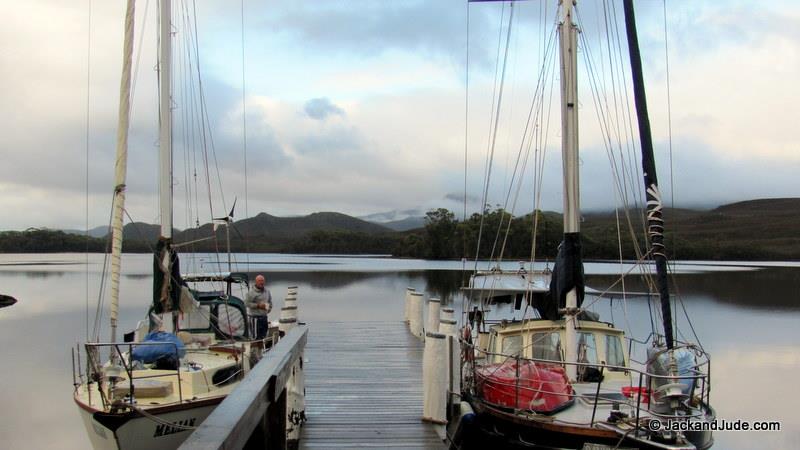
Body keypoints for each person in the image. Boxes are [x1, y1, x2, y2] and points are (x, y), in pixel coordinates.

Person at [245, 274, 272, 339]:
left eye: (262, 281)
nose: (261, 282)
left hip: (264, 317)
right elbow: (246, 303)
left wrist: (269, 308)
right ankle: (256, 348)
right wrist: (258, 305)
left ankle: (264, 348)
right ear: (256, 282)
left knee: (264, 335)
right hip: (255, 318)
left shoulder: (267, 291)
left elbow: (270, 302)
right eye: (259, 281)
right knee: (255, 337)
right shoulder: (251, 293)